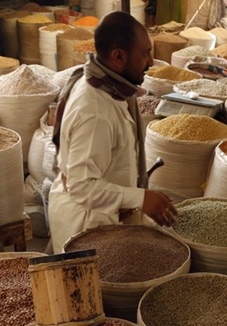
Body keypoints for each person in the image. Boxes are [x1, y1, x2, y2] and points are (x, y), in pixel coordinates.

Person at [48, 12, 177, 251]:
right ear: (119, 57)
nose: (151, 62)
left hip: (104, 216)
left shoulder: (103, 84)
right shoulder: (95, 112)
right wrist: (140, 198)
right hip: (88, 226)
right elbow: (81, 186)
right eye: (145, 53)